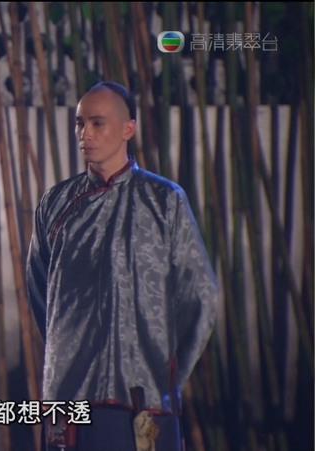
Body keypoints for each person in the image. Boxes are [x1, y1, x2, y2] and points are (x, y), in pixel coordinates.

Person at [26, 82, 218, 451]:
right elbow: (39, 290)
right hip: (72, 395)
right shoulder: (57, 203)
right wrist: (66, 352)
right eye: (80, 123)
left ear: (128, 128)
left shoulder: (164, 200)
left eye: (97, 123)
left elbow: (200, 295)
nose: (85, 134)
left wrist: (168, 374)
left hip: (145, 397)